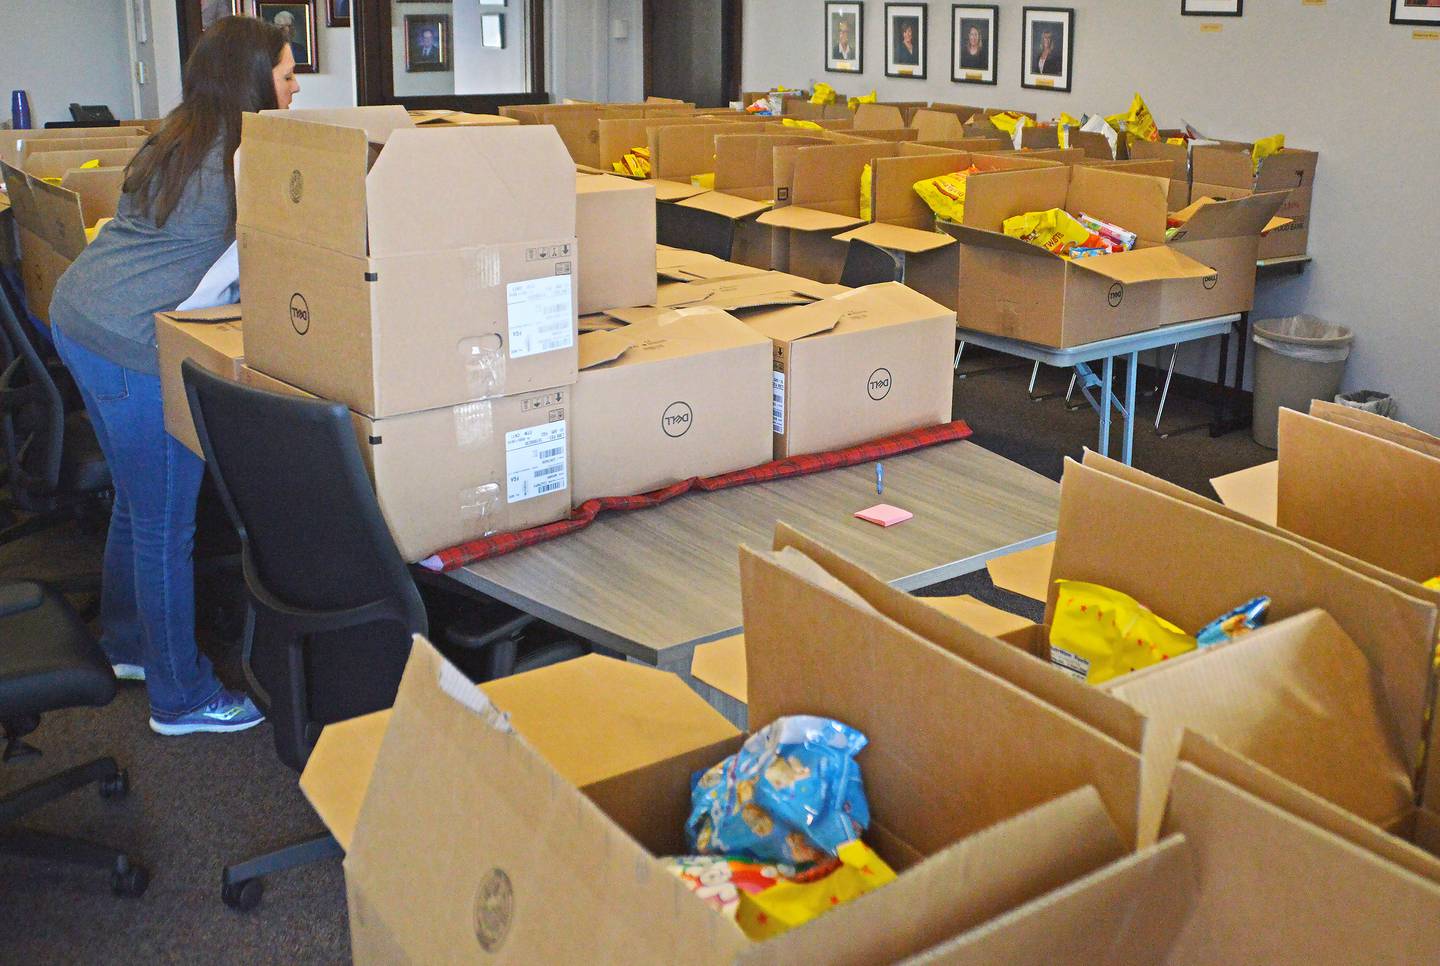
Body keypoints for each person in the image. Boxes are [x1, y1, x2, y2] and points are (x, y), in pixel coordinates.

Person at [48, 16, 299, 736]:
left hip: (80, 315)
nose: (295, 86)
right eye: (286, 74)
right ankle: (181, 697)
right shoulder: (234, 162)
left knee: (135, 500)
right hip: (128, 343)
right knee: (164, 523)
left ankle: (128, 642)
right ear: (254, 81)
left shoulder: (182, 135)